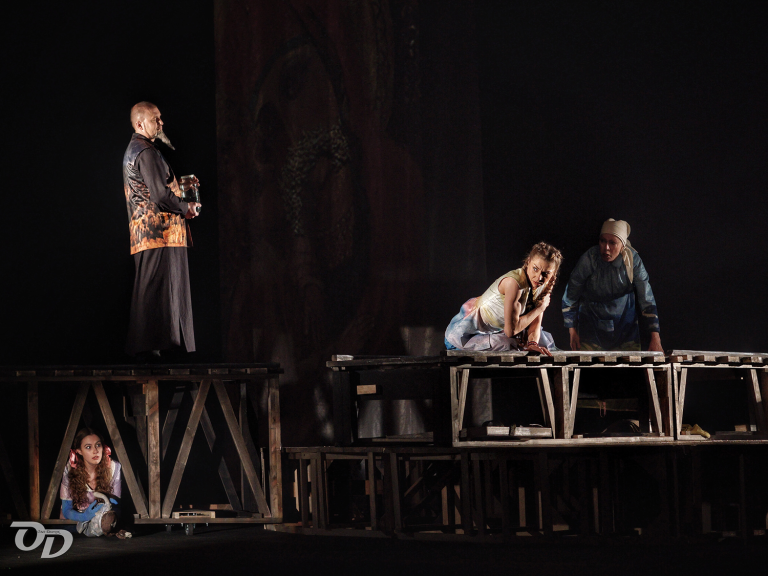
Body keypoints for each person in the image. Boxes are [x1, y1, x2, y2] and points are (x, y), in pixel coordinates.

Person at [123, 101, 201, 360]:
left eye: (160, 118)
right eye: (155, 119)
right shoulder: (144, 151)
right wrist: (186, 207)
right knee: (157, 295)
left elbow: (157, 189)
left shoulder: (140, 150)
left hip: (152, 235)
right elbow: (158, 195)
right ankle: (151, 354)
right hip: (159, 234)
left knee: (156, 293)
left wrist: (182, 188)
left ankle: (154, 352)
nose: (161, 123)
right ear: (140, 123)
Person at [562, 218, 662, 352]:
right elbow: (571, 293)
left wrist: (655, 337)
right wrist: (572, 329)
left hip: (625, 329)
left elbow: (646, 299)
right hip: (591, 329)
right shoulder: (590, 258)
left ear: (622, 246)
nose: (606, 248)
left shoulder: (633, 261)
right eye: (603, 241)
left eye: (612, 243)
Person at [444, 242, 563, 353]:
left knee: (543, 341)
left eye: (546, 273)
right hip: (465, 335)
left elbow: (535, 322)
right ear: (528, 262)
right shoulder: (514, 284)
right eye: (535, 269)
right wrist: (540, 308)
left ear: (553, 273)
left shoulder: (542, 285)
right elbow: (511, 331)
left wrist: (533, 344)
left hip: (495, 331)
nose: (539, 277)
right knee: (510, 343)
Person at [60, 428, 126, 537]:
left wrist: (106, 515)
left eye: (98, 445)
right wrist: (84, 516)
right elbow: (66, 510)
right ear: (79, 451)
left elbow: (116, 504)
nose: (95, 451)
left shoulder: (113, 468)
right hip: (74, 523)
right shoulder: (71, 469)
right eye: (88, 447)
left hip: (101, 522)